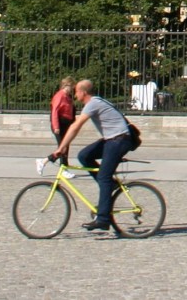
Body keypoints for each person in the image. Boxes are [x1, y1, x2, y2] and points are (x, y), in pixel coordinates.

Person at [51, 79, 133, 232]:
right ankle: (111, 185)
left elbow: (76, 126)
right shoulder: (95, 102)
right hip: (112, 139)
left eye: (76, 91)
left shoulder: (93, 104)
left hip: (119, 140)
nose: (75, 95)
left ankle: (103, 219)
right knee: (84, 156)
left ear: (83, 92)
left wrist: (61, 148)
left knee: (103, 176)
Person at [50, 76, 76, 145]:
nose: (72, 89)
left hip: (67, 123)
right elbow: (54, 111)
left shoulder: (68, 97)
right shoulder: (60, 96)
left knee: (65, 146)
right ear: (67, 85)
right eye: (72, 86)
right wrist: (56, 127)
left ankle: (57, 156)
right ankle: (51, 156)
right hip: (60, 123)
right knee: (62, 146)